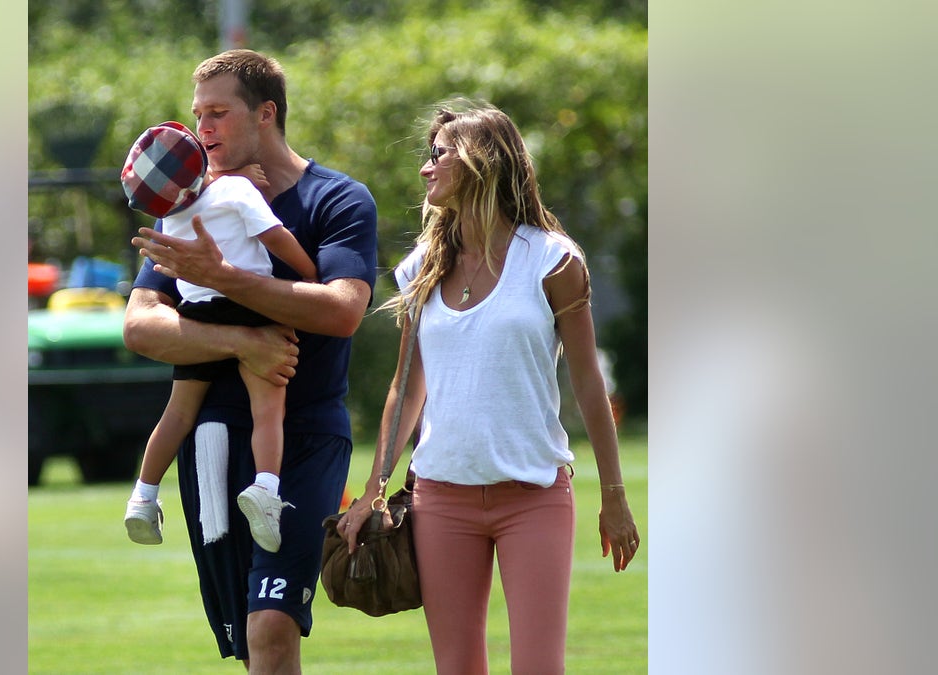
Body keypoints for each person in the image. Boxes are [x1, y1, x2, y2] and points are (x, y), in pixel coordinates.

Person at [337, 100, 640, 675]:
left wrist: (615, 495)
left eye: (438, 155)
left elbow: (587, 381)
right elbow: (406, 390)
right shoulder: (421, 266)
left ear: (482, 162)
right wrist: (374, 489)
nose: (426, 169)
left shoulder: (552, 261)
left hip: (534, 497)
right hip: (440, 500)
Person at [123, 49, 378, 672]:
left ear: (266, 114)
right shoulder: (188, 202)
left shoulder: (338, 200)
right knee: (245, 639)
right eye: (196, 115)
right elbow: (141, 324)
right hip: (211, 441)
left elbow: (341, 310)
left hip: (306, 436)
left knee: (271, 623)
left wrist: (227, 278)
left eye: (217, 114)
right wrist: (240, 342)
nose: (201, 130)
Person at [119, 121, 318, 552]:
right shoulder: (238, 192)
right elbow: (276, 238)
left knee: (176, 414)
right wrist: (310, 274)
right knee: (268, 407)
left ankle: (143, 495)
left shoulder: (171, 214)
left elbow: (201, 195)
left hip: (196, 314)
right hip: (248, 303)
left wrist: (229, 179)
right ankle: (265, 489)